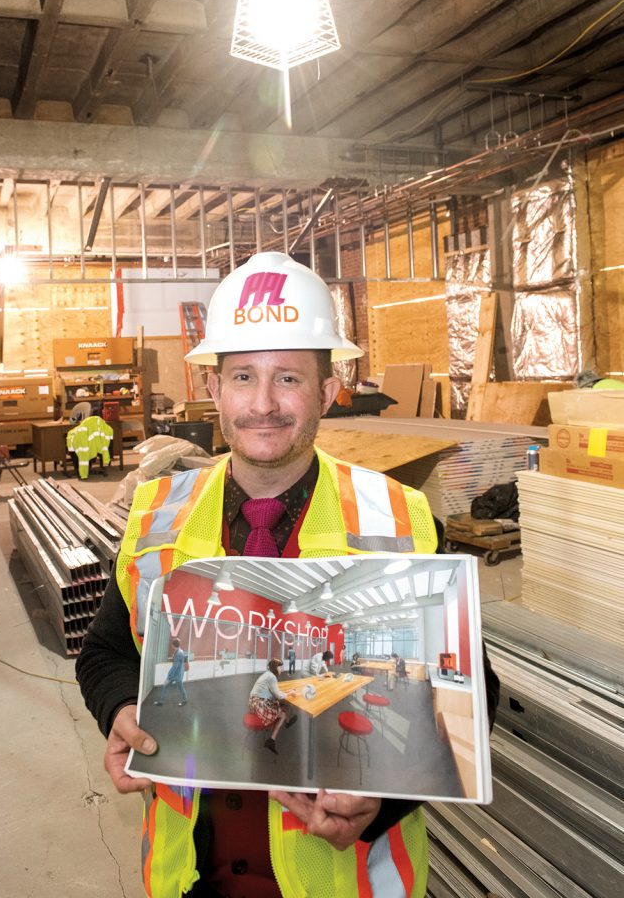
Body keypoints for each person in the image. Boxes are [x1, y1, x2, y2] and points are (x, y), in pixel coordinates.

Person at [77, 251, 500, 898]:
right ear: (212, 389)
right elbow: (105, 652)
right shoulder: (157, 515)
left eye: (289, 379)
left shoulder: (397, 517)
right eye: (243, 376)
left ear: (329, 391)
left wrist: (381, 805)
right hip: (193, 878)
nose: (263, 404)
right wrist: (121, 709)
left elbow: (470, 696)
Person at [249, 658, 298, 754]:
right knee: (283, 713)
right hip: (260, 705)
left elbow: (274, 693)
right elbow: (278, 695)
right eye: (280, 667)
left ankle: (287, 722)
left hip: (254, 702)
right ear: (276, 667)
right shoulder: (272, 677)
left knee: (281, 704)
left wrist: (288, 692)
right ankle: (271, 740)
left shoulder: (267, 674)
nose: (282, 669)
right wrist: (290, 693)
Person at [153, 638, 188, 707]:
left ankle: (184, 701)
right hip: (177, 675)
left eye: (172, 644)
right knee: (166, 687)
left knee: (179, 688)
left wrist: (169, 677)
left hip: (176, 675)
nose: (171, 646)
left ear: (173, 645)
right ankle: (161, 702)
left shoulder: (178, 653)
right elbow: (179, 662)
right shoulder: (180, 651)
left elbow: (175, 666)